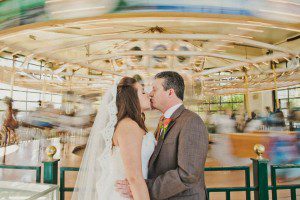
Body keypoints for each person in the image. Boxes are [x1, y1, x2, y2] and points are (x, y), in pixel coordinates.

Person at [116, 71, 209, 200]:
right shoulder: (162, 121)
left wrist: (142, 187)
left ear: (170, 92)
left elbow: (188, 174)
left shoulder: (191, 121)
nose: (150, 94)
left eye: (154, 89)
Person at [72, 77, 155, 200]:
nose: (148, 95)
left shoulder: (133, 124)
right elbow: (134, 178)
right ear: (132, 98)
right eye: (142, 92)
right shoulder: (129, 126)